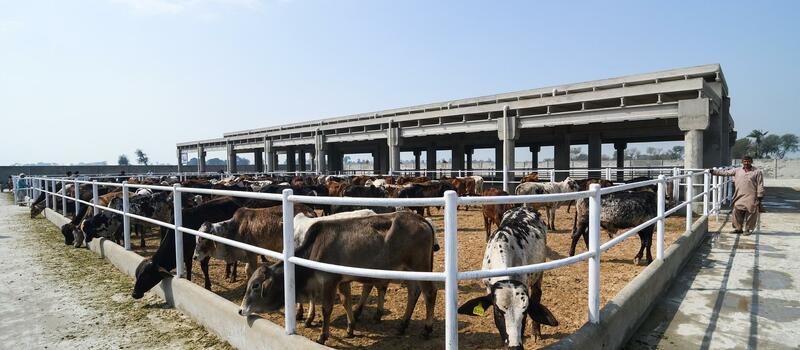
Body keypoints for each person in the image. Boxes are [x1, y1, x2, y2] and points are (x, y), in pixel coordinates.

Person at [712, 156, 764, 235]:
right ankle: (738, 228)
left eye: (748, 161)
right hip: (739, 195)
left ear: (751, 162)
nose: (746, 163)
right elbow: (725, 173)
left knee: (751, 212)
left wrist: (759, 196)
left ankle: (748, 229)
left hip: (751, 195)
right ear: (742, 162)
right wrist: (713, 172)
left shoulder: (757, 172)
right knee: (736, 210)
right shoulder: (737, 170)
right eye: (745, 161)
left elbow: (760, 184)